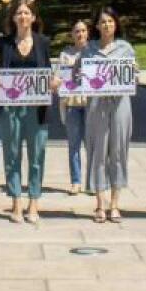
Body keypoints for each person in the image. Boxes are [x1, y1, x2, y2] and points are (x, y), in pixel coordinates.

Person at [0, 0, 58, 224]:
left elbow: (48, 72)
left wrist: (54, 82)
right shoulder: (4, 43)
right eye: (19, 13)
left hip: (37, 109)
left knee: (37, 155)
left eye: (27, 13)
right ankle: (16, 202)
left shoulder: (43, 42)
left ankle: (34, 201)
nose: (23, 17)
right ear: (13, 18)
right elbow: (0, 72)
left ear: (33, 17)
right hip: (11, 108)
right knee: (12, 155)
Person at [78, 7, 136, 223]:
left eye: (110, 21)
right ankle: (100, 204)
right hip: (96, 106)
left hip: (120, 105)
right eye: (102, 22)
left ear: (116, 24)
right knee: (98, 151)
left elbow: (133, 77)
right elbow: (76, 76)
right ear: (96, 26)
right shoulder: (89, 50)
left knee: (119, 151)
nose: (107, 25)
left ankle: (115, 204)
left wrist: (134, 72)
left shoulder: (126, 48)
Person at [57, 20, 90, 196]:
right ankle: (76, 181)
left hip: (91, 105)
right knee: (74, 145)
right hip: (72, 105)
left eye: (83, 30)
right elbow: (59, 79)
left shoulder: (94, 53)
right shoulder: (65, 55)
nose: (80, 34)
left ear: (88, 33)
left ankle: (92, 182)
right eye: (77, 31)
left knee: (92, 145)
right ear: (72, 34)